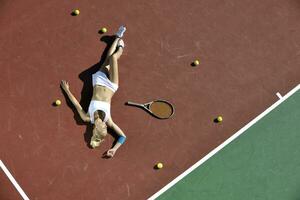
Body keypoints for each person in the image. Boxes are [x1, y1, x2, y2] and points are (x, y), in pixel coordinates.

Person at [60, 25, 127, 158]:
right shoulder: (108, 121)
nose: (105, 126)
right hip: (112, 85)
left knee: (107, 59)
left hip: (98, 82)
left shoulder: (87, 117)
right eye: (105, 127)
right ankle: (121, 47)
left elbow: (75, 105)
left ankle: (118, 37)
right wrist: (114, 149)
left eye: (102, 127)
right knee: (112, 59)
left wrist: (67, 90)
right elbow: (122, 136)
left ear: (96, 128)